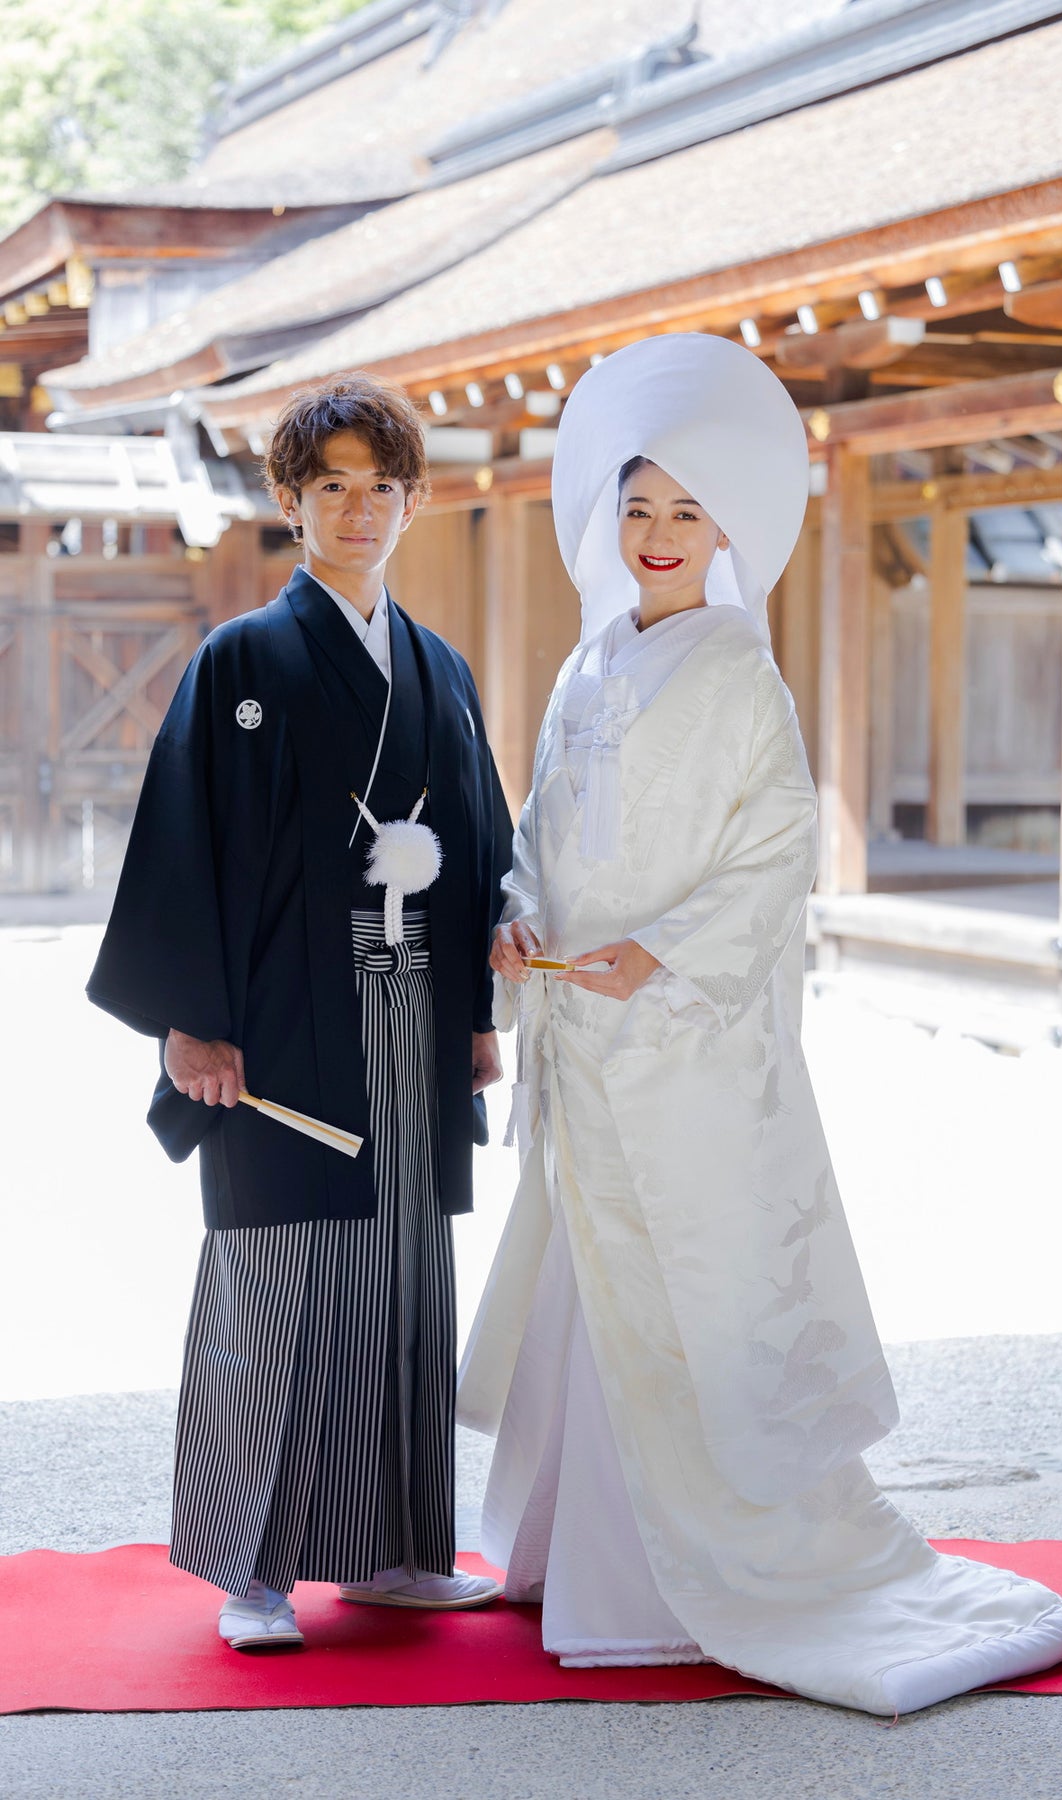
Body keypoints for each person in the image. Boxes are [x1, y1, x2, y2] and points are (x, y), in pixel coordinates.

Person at [457, 333, 1062, 1716]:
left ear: (726, 526)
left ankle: (679, 1579)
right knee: (592, 1296)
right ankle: (567, 1557)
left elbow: (774, 855)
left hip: (685, 1050)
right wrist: (516, 918)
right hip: (583, 1036)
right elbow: (537, 833)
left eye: (686, 512)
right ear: (605, 520)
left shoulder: (742, 676)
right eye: (636, 509)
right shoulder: (585, 671)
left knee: (698, 1292)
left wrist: (663, 957)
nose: (659, 536)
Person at [88, 373, 512, 1650]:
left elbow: (482, 846)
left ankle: (393, 1549)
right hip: (275, 1025)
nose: (359, 510)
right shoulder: (246, 662)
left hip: (410, 1020)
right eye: (331, 486)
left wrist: (480, 1017)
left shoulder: (436, 668)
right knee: (276, 1283)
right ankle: (253, 1569)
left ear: (412, 501)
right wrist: (188, 1017)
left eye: (382, 487)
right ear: (290, 499)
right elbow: (186, 844)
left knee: (399, 1284)